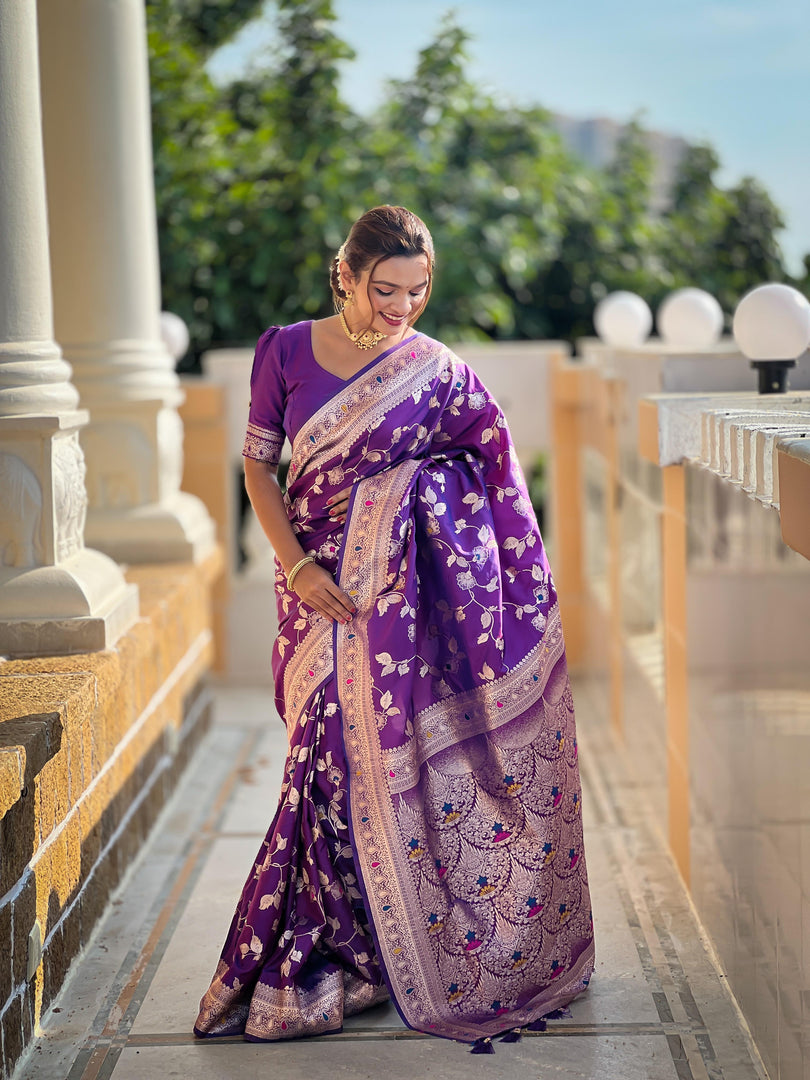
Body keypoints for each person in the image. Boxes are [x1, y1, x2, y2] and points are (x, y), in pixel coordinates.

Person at [194, 205, 594, 1050]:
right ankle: (330, 944)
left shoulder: (439, 373)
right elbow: (259, 467)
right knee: (322, 756)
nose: (401, 308)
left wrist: (407, 512)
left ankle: (373, 944)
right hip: (312, 588)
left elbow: (492, 472)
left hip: (399, 604)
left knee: (358, 757)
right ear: (345, 276)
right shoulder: (286, 352)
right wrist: (303, 565)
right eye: (384, 290)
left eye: (417, 291)